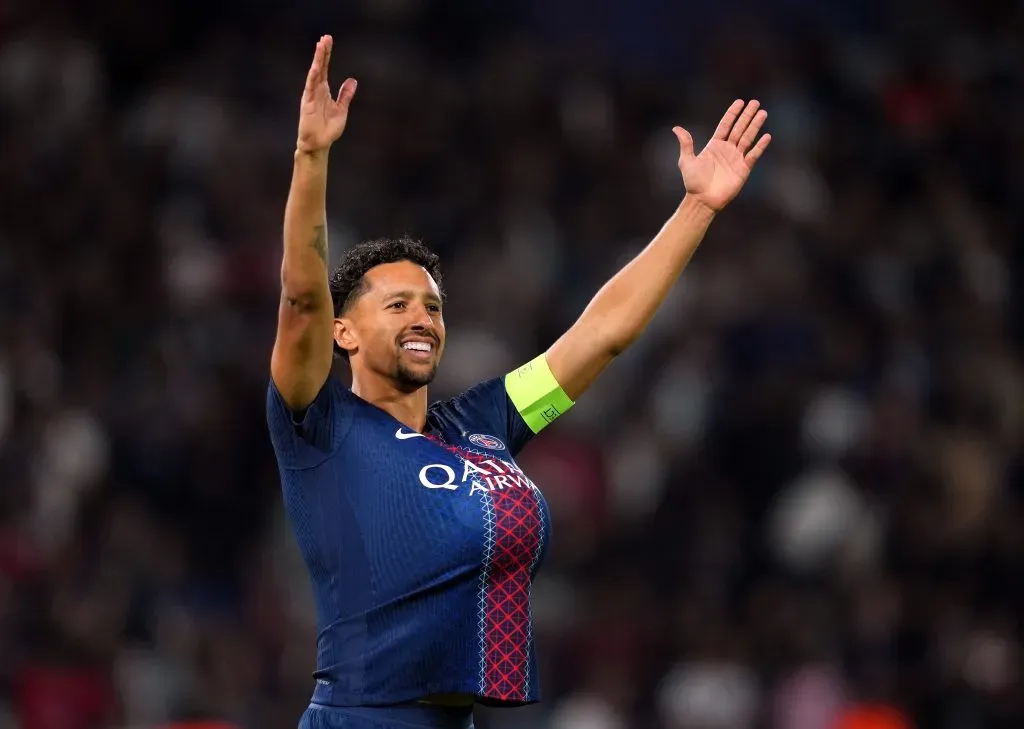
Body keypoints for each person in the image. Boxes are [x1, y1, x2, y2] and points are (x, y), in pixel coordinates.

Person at [266, 34, 771, 729]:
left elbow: (602, 334)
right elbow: (302, 299)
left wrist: (697, 209)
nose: (423, 319)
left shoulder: (485, 422)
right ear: (344, 333)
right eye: (397, 305)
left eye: (433, 306)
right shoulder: (322, 429)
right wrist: (311, 155)